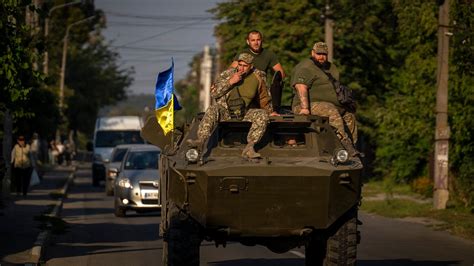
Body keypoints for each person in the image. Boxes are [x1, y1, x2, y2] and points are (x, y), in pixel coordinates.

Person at [188, 53, 273, 159]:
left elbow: (264, 97)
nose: (241, 68)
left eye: (245, 66)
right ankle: (201, 140)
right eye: (240, 65)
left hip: (245, 112)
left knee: (262, 115)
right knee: (212, 109)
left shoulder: (258, 76)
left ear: (251, 66)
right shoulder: (227, 74)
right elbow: (214, 93)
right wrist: (231, 82)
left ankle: (250, 148)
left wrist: (270, 111)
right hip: (226, 111)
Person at [291, 42, 359, 156]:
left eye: (324, 54)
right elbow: (301, 86)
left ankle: (352, 148)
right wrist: (304, 108)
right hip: (306, 105)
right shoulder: (306, 67)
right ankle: (343, 144)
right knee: (329, 108)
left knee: (349, 115)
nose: (321, 57)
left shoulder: (331, 67)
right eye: (318, 54)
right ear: (312, 53)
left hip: (331, 106)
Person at [230, 30, 285, 112]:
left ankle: (273, 108)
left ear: (261, 40)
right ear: (248, 42)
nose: (256, 43)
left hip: (261, 88)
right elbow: (230, 71)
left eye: (258, 40)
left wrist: (275, 82)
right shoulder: (242, 54)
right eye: (253, 40)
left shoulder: (269, 55)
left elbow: (281, 73)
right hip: (245, 86)